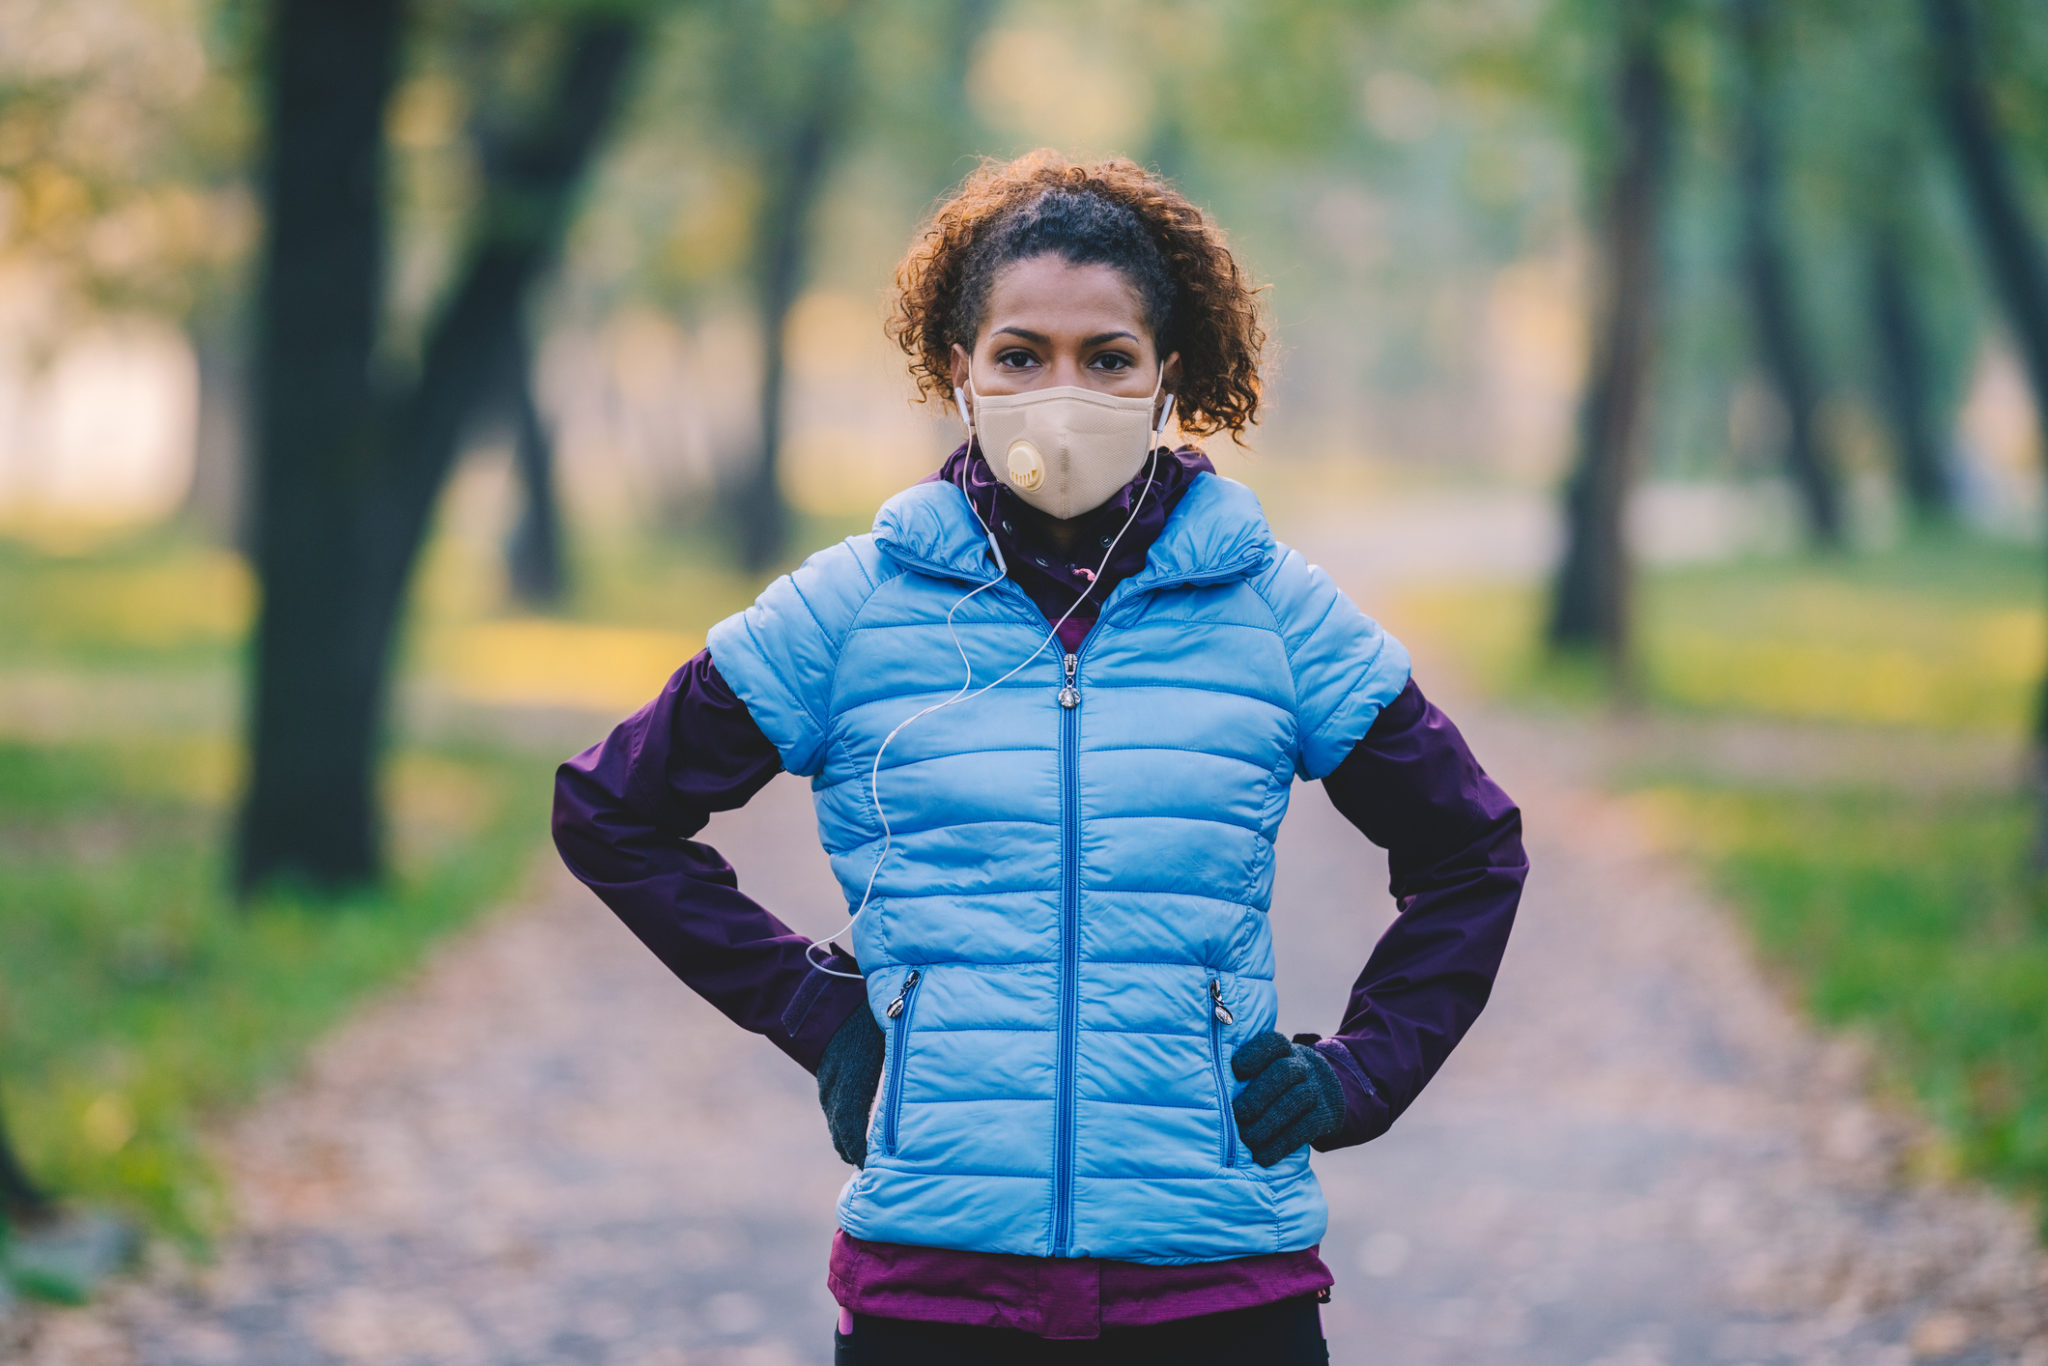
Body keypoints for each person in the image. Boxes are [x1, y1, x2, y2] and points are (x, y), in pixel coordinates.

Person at [553, 150, 1527, 1366]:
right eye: (1021, 354)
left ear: (1165, 376)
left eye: (1105, 356)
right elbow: (611, 810)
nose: (1060, 388)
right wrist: (815, 1008)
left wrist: (1358, 1074)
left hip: (1218, 1285)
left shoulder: (1275, 611)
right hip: (938, 1289)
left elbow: (1469, 847)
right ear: (957, 372)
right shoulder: (850, 608)